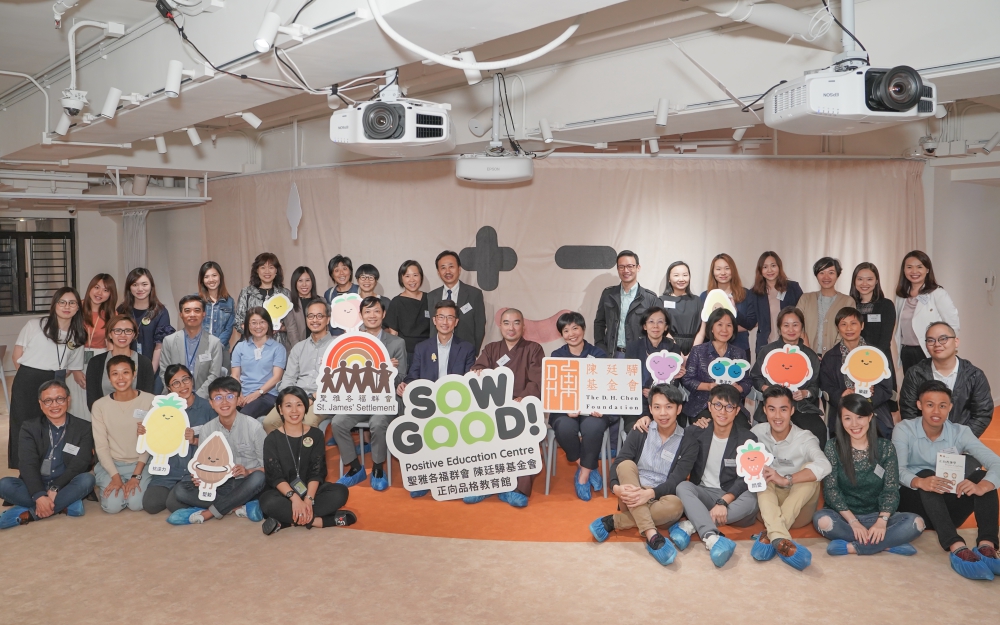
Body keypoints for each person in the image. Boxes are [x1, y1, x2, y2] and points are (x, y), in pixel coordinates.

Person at [894, 380, 1000, 580]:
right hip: (915, 504)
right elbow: (897, 470)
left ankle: (987, 546)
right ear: (919, 405)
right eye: (930, 404)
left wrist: (983, 486)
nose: (936, 411)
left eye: (942, 405)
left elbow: (996, 463)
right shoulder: (904, 429)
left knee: (982, 477)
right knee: (926, 473)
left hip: (948, 508)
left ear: (950, 407)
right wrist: (920, 482)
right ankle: (956, 546)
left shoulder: (960, 432)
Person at [589, 385, 692, 565]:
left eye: (669, 407)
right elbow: (618, 464)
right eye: (657, 407)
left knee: (676, 506)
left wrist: (650, 494)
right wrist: (616, 488)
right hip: (632, 491)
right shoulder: (641, 430)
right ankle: (652, 535)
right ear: (650, 409)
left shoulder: (688, 441)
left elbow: (676, 479)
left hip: (659, 498)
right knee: (626, 465)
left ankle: (613, 521)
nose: (663, 413)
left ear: (679, 409)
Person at [812, 394, 923, 557]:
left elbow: (891, 490)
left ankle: (853, 547)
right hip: (844, 517)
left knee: (917, 523)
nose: (854, 424)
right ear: (841, 420)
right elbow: (831, 491)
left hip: (878, 516)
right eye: (848, 418)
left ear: (870, 417)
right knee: (822, 521)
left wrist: (881, 522)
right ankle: (886, 544)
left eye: (860, 417)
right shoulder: (832, 447)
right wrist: (854, 522)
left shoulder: (885, 447)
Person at [672, 384, 760, 568]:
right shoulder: (695, 432)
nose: (723, 412)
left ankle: (693, 524)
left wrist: (724, 501)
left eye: (729, 407)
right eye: (718, 405)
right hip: (703, 493)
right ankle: (711, 537)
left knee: (752, 501)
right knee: (683, 487)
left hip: (731, 495)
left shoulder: (748, 439)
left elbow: (746, 478)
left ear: (737, 411)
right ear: (709, 407)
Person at [466, 308, 544, 507]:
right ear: (500, 326)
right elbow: (479, 369)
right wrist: (477, 372)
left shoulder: (533, 349)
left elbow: (537, 381)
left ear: (523, 326)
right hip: (494, 409)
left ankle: (516, 488)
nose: (511, 327)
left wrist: (521, 399)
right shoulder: (491, 349)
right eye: (506, 323)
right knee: (476, 430)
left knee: (524, 436)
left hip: (522, 407)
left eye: (516, 323)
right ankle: (483, 484)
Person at [398, 300, 475, 498]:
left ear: (456, 322)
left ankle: (455, 477)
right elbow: (413, 375)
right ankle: (425, 477)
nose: (445, 322)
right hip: (428, 403)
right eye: (441, 317)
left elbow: (469, 381)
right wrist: (405, 384)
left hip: (455, 405)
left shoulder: (466, 348)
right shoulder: (422, 348)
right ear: (434, 320)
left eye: (450, 318)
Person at [749, 386, 831, 570]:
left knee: (810, 471)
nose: (777, 416)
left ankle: (772, 533)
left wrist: (787, 479)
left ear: (792, 410)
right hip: (767, 508)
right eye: (772, 409)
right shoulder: (756, 433)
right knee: (762, 470)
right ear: (764, 410)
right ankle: (779, 538)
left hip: (798, 509)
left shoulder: (805, 438)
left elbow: (825, 465)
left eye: (783, 409)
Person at [331, 296, 407, 490]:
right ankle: (355, 468)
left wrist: (389, 371)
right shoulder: (352, 342)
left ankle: (378, 469)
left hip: (386, 400)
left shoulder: (397, 343)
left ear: (383, 314)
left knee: (378, 422)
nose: (372, 315)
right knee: (338, 422)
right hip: (360, 399)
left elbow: (401, 378)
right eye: (367, 311)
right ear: (361, 315)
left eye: (376, 311)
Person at [169, 377, 267, 525]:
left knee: (259, 477)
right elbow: (204, 463)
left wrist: (248, 471)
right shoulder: (207, 429)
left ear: (238, 399)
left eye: (230, 396)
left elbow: (267, 468)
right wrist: (200, 477)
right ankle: (236, 505)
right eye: (218, 398)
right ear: (211, 403)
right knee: (180, 490)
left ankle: (210, 512)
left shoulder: (254, 427)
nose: (224, 402)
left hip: (246, 483)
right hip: (220, 485)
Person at [8, 287, 87, 469]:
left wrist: (54, 380)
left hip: (56, 381)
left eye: (72, 303)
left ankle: (49, 468)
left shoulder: (78, 333)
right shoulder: (35, 325)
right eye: (62, 302)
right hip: (27, 379)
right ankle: (24, 469)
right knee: (24, 425)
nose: (67, 306)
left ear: (78, 307)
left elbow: (72, 366)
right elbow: (17, 356)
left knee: (51, 425)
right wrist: (30, 377)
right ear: (54, 305)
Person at [260, 387, 356, 535]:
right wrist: (295, 499)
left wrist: (308, 500)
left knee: (340, 492)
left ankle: (286, 521)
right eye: (288, 405)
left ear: (305, 407)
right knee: (267, 502)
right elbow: (275, 477)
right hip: (284, 494)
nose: (294, 410)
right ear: (280, 409)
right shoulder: (271, 439)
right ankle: (322, 521)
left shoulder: (316, 435)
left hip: (311, 492)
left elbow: (316, 472)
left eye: (299, 404)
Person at [0, 380, 95, 529]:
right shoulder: (29, 427)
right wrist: (39, 495)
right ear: (41, 404)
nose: (54, 405)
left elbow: (80, 463)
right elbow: (27, 464)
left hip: (65, 484)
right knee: (4, 484)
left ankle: (28, 514)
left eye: (60, 399)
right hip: (35, 484)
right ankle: (65, 505)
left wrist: (55, 488)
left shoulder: (83, 427)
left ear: (68, 400)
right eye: (48, 401)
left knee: (87, 480)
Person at [548, 312, 613, 501]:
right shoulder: (557, 356)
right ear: (561, 334)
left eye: (575, 328)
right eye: (566, 330)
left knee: (593, 427)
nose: (571, 334)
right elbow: (554, 389)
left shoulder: (598, 354)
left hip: (593, 410)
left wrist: (600, 406)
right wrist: (566, 407)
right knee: (564, 427)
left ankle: (583, 476)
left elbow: (605, 386)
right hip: (565, 410)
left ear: (583, 329)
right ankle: (588, 466)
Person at [139, 364, 216, 515]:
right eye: (176, 383)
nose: (182, 386)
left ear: (192, 380)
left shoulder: (207, 407)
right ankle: (177, 492)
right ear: (169, 388)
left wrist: (195, 441)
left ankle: (187, 495)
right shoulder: (161, 410)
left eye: (185, 379)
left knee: (174, 505)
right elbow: (155, 440)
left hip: (193, 473)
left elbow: (216, 444)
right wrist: (145, 433)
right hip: (168, 471)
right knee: (151, 504)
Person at [898, 322, 993, 437]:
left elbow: (982, 414)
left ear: (956, 342)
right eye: (931, 340)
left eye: (943, 339)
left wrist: (961, 440)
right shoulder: (915, 374)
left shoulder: (975, 375)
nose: (937, 344)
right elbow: (908, 411)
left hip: (961, 440)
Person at [749, 306, 825, 445]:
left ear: (802, 327)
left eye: (795, 325)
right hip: (773, 406)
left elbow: (815, 386)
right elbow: (755, 377)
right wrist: (764, 387)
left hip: (801, 407)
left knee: (818, 430)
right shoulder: (767, 351)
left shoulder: (810, 356)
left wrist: (805, 393)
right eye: (786, 325)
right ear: (779, 328)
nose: (791, 330)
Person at [90, 355, 155, 514]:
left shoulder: (151, 401)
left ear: (134, 374)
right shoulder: (99, 406)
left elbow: (150, 442)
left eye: (125, 372)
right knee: (113, 506)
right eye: (115, 374)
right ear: (109, 377)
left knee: (136, 503)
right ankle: (111, 482)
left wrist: (136, 476)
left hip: (141, 463)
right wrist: (115, 477)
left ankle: (135, 483)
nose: (120, 378)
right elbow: (101, 447)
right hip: (112, 464)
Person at [261, 300, 335, 433]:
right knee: (269, 422)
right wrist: (290, 398)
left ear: (328, 319)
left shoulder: (337, 347)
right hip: (296, 397)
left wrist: (312, 397)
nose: (315, 320)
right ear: (306, 319)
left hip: (323, 399)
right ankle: (285, 448)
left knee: (307, 423)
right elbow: (289, 378)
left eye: (319, 316)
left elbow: (339, 382)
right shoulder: (299, 347)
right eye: (311, 316)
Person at [819, 307, 895, 438]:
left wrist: (870, 395)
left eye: (853, 323)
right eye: (843, 324)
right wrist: (842, 394)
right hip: (842, 409)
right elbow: (826, 386)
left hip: (873, 408)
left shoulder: (876, 355)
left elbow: (886, 388)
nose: (849, 328)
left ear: (862, 325)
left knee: (880, 431)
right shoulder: (830, 357)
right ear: (838, 328)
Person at [681, 308, 751, 427]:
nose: (724, 329)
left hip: (731, 405)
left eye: (729, 325)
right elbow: (687, 379)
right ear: (711, 328)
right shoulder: (698, 351)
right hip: (702, 404)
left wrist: (737, 388)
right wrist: (709, 386)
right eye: (719, 324)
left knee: (742, 429)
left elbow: (747, 382)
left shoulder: (739, 353)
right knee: (708, 428)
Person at [894, 251, 960, 375]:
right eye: (909, 267)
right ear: (904, 270)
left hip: (930, 350)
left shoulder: (937, 293)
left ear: (927, 269)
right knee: (911, 385)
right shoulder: (901, 296)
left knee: (931, 385)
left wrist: (949, 349)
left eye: (919, 267)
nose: (914, 271)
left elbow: (953, 323)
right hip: (907, 351)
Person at [625, 306, 684, 431]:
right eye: (651, 321)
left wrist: (656, 392)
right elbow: (627, 377)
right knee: (639, 431)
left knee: (669, 430)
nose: (655, 326)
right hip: (637, 402)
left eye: (660, 322)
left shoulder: (673, 348)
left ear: (666, 326)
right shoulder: (633, 347)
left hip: (665, 402)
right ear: (644, 326)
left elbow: (674, 383)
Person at [593, 250, 659, 357]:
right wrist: (600, 347)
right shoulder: (608, 294)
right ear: (617, 269)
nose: (626, 270)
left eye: (630, 266)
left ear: (638, 267)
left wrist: (650, 350)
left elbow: (656, 328)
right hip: (613, 354)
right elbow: (599, 323)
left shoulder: (650, 298)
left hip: (640, 355)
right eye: (621, 267)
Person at [116, 268, 174, 388]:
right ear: (129, 287)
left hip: (153, 368)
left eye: (144, 284)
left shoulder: (160, 312)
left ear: (151, 286)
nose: (140, 289)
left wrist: (150, 371)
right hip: (125, 369)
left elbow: (159, 346)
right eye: (135, 285)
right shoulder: (122, 310)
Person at [159, 295, 224, 399]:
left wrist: (195, 399)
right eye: (187, 311)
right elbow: (164, 372)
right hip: (174, 398)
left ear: (204, 314)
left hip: (203, 399)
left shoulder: (214, 343)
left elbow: (214, 375)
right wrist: (179, 394)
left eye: (197, 310)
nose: (192, 314)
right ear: (181, 314)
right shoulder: (169, 341)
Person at [86, 314, 156, 410]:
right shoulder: (95, 362)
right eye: (117, 330)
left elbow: (147, 399)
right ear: (110, 334)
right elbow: (92, 400)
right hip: (104, 415)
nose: (123, 335)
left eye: (128, 331)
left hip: (136, 416)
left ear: (134, 335)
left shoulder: (144, 363)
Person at [230, 307, 287, 418]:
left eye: (262, 322)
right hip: (242, 393)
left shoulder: (278, 348)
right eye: (254, 323)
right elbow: (235, 375)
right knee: (225, 413)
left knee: (243, 416)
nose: (258, 326)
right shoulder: (240, 347)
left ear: (268, 324)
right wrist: (239, 394)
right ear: (247, 325)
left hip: (267, 394)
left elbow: (276, 377)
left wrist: (257, 393)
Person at [696, 253, 756, 357]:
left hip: (740, 349)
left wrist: (735, 311)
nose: (723, 273)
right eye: (718, 269)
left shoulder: (745, 294)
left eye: (727, 268)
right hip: (711, 351)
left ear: (733, 270)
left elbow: (750, 324)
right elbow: (703, 326)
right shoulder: (705, 296)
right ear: (713, 272)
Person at [849, 262, 896, 395]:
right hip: (854, 361)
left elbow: (885, 340)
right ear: (854, 281)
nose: (864, 283)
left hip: (879, 360)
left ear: (876, 281)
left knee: (880, 401)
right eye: (860, 279)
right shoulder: (850, 305)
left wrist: (871, 362)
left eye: (869, 279)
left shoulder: (886, 305)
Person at [426, 251, 486, 354]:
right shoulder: (431, 296)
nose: (447, 271)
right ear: (438, 272)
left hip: (465, 352)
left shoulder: (474, 294)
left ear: (459, 269)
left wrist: (474, 352)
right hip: (437, 352)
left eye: (451, 267)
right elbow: (430, 327)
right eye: (443, 268)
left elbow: (480, 327)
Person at [797, 258, 854, 359]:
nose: (826, 277)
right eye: (821, 272)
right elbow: (797, 325)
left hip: (837, 358)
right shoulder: (805, 298)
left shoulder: (848, 301)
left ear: (837, 275)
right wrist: (809, 354)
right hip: (807, 357)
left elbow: (848, 330)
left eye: (831, 272)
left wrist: (831, 356)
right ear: (816, 275)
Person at [233, 252, 291, 349]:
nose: (267, 271)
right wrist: (257, 331)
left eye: (271, 267)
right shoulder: (247, 293)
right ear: (257, 270)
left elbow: (292, 325)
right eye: (263, 267)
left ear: (276, 270)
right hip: (251, 346)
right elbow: (238, 322)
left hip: (278, 346)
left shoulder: (285, 294)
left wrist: (280, 328)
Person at [747, 252, 802, 353]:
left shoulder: (793, 288)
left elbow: (802, 316)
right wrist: (735, 310)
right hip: (766, 346)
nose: (770, 270)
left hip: (791, 345)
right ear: (760, 270)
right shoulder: (754, 293)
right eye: (765, 267)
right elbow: (751, 322)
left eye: (773, 265)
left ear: (779, 266)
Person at [385, 260, 430, 364]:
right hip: (406, 353)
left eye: (415, 275)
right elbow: (393, 334)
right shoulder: (396, 302)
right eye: (407, 276)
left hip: (428, 352)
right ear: (401, 278)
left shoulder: (430, 298)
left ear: (421, 277)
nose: (412, 280)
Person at [198, 261, 235, 369]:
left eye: (214, 275)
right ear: (202, 280)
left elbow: (228, 329)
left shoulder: (229, 301)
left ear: (220, 277)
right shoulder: (196, 300)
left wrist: (217, 346)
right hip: (200, 349)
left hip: (222, 349)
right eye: (206, 277)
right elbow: (193, 325)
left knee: (223, 378)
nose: (211, 280)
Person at [661, 261, 701, 354]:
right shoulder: (661, 301)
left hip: (695, 347)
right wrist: (677, 351)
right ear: (669, 278)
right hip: (669, 346)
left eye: (685, 275)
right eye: (676, 275)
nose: (681, 279)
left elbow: (702, 330)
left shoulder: (697, 300)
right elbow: (662, 328)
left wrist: (693, 353)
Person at [284, 266, 318, 347]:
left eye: (307, 280)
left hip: (319, 347)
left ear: (312, 282)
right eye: (300, 281)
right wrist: (299, 351)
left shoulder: (321, 301)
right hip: (297, 348)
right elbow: (292, 330)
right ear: (295, 283)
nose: (304, 284)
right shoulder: (289, 303)